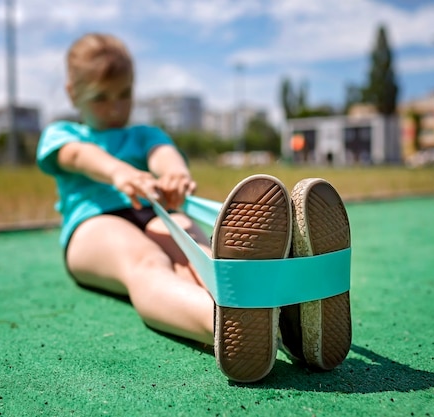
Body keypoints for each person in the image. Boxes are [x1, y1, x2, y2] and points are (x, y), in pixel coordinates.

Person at [37, 33, 351, 384]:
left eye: (124, 94)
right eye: (101, 98)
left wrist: (175, 175)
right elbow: (79, 156)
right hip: (94, 224)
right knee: (145, 262)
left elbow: (163, 154)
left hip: (156, 214)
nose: (115, 108)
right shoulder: (61, 133)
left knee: (198, 257)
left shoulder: (143, 133)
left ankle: (280, 315)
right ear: (72, 94)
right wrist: (121, 173)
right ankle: (223, 322)